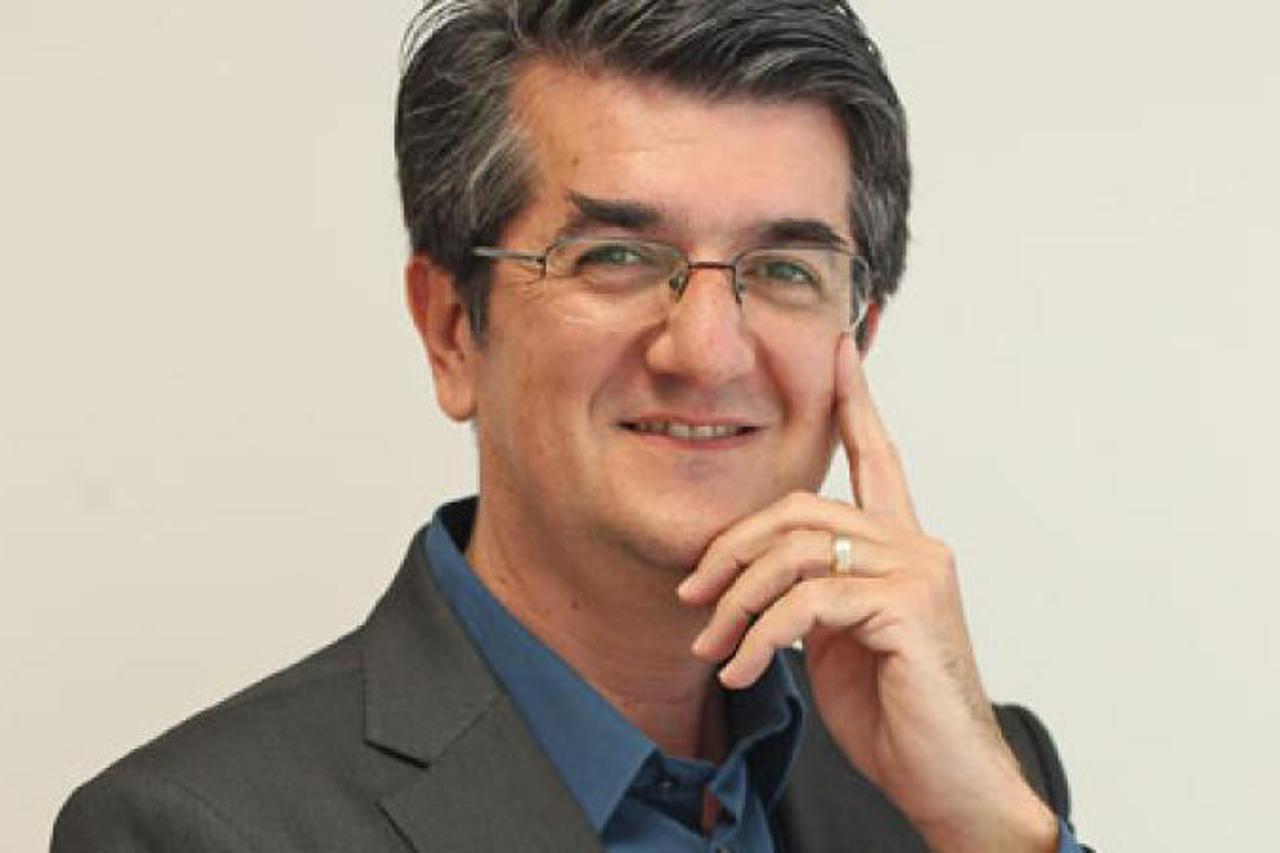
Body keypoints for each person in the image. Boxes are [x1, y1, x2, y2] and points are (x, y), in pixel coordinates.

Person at [53, 1, 1092, 851]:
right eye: (616, 258)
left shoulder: (973, 787)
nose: (707, 351)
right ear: (452, 329)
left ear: (854, 339)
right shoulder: (193, 831)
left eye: (784, 270)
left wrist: (996, 836)